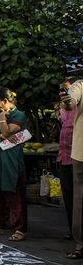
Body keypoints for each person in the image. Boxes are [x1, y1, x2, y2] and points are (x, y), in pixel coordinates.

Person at [0, 87, 27, 242]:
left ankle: (19, 228)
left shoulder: (18, 115)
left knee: (13, 193)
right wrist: (0, 135)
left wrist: (2, 117)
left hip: (10, 158)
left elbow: (8, 133)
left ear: (6, 101)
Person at [66, 78, 83, 260]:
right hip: (81, 151)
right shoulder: (80, 86)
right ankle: (80, 243)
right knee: (80, 198)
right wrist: (68, 102)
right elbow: (71, 101)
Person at [59, 78, 77, 241]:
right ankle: (73, 230)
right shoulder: (64, 109)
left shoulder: (78, 107)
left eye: (69, 89)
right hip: (64, 156)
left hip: (77, 156)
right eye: (64, 90)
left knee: (78, 197)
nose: (66, 94)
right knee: (68, 196)